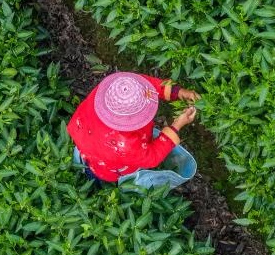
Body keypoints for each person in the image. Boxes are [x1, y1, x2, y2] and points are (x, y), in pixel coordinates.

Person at [66, 71, 200, 185]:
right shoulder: (125, 145)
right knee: (100, 173)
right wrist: (176, 126)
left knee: (94, 158)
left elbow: (146, 85)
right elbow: (152, 156)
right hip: (106, 166)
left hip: (87, 136)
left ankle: (89, 171)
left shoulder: (108, 92)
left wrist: (179, 92)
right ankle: (98, 181)